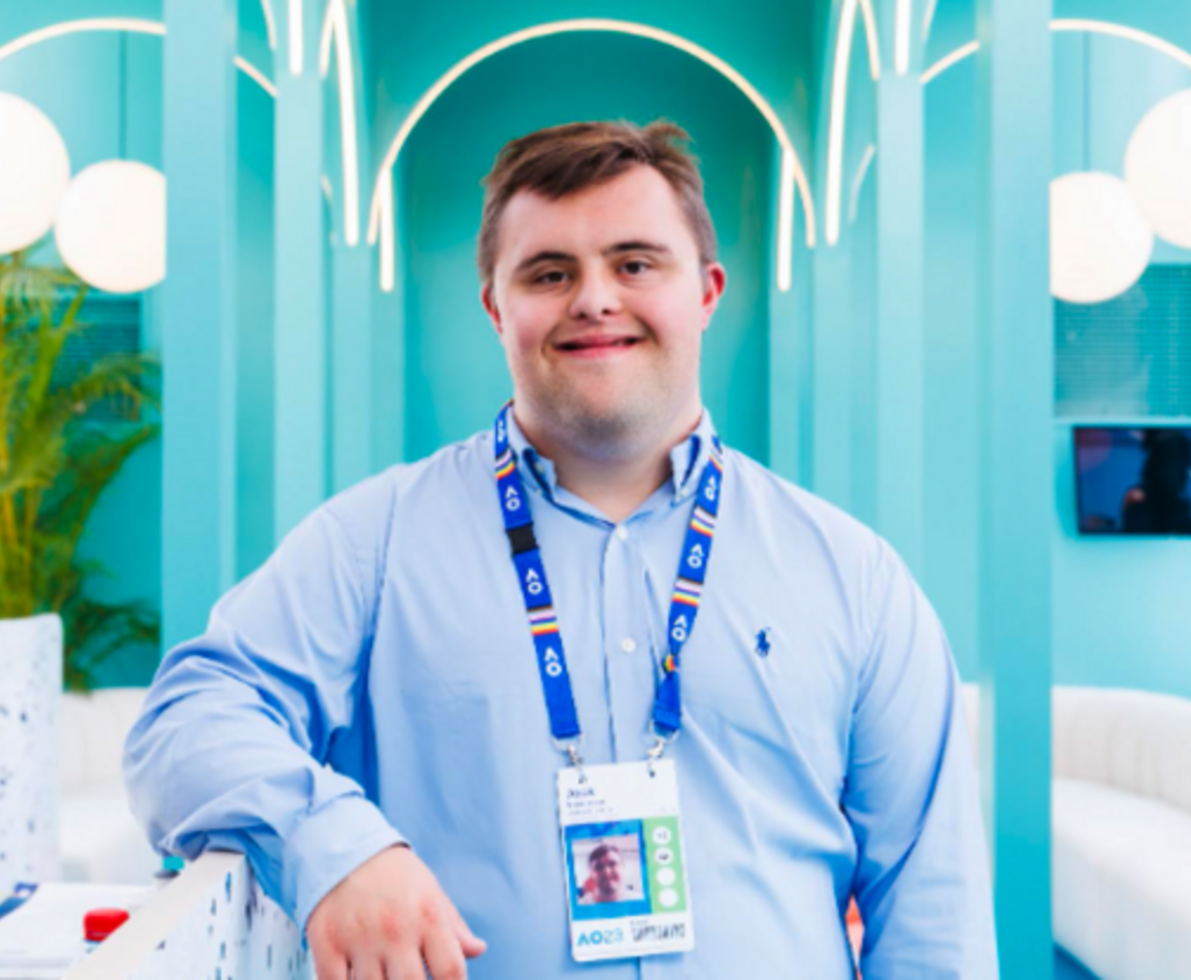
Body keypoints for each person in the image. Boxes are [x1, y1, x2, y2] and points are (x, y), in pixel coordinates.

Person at [124, 120, 998, 979]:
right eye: (549, 272)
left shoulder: (853, 576)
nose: (593, 299)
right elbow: (185, 724)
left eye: (634, 263)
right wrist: (336, 844)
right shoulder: (373, 543)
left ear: (706, 291)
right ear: (495, 307)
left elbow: (932, 916)